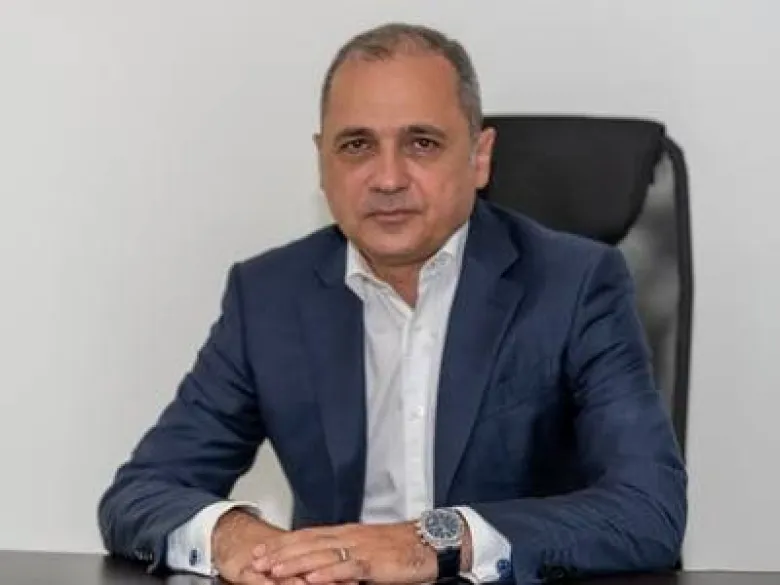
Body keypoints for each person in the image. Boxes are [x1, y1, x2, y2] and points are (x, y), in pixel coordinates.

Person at [98, 22, 687, 585]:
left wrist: (431, 543)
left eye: (421, 143)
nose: (387, 178)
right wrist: (236, 537)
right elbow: (141, 492)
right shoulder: (269, 296)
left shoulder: (574, 284)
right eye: (356, 145)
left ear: (480, 156)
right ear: (322, 161)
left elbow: (648, 510)